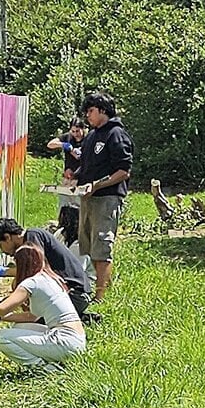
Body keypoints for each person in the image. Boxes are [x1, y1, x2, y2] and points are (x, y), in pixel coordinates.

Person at [0, 243, 87, 368]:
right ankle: (55, 360)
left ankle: (44, 368)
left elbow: (2, 308)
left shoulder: (32, 282)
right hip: (77, 341)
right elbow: (32, 317)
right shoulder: (49, 278)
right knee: (20, 327)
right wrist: (1, 318)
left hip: (64, 343)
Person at [0, 216, 96, 321]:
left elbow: (34, 274)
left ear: (7, 237)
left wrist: (2, 306)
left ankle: (79, 318)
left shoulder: (33, 238)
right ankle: (79, 317)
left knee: (34, 321)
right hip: (72, 294)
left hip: (75, 295)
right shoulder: (32, 238)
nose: (2, 251)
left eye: (0, 245)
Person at [77, 91, 133, 298]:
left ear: (103, 110)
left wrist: (98, 185)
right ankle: (99, 290)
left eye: (90, 111)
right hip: (88, 197)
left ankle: (101, 298)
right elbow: (87, 166)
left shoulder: (116, 134)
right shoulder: (92, 135)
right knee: (91, 248)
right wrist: (74, 175)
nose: (87, 116)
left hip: (107, 198)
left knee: (102, 248)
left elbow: (123, 171)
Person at [47, 117, 86, 244]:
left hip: (82, 178)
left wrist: (77, 173)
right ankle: (63, 226)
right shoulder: (68, 137)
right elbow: (50, 144)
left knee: (78, 205)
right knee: (64, 202)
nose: (75, 134)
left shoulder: (89, 139)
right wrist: (65, 145)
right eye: (73, 131)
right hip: (68, 177)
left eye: (78, 131)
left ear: (83, 129)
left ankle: (80, 230)